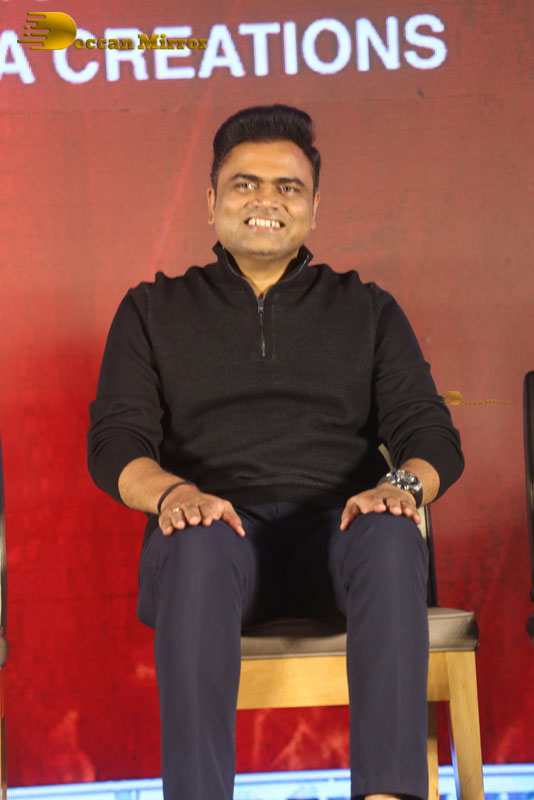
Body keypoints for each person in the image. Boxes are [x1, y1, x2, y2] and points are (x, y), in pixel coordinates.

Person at [87, 104, 464, 800]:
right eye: (245, 184)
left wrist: (402, 487)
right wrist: (175, 495)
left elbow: (431, 435)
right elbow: (116, 443)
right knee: (195, 541)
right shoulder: (151, 309)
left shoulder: (367, 309)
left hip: (340, 535)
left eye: (288, 187)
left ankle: (389, 794)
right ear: (211, 202)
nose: (267, 200)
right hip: (218, 538)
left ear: (314, 208)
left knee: (391, 532)